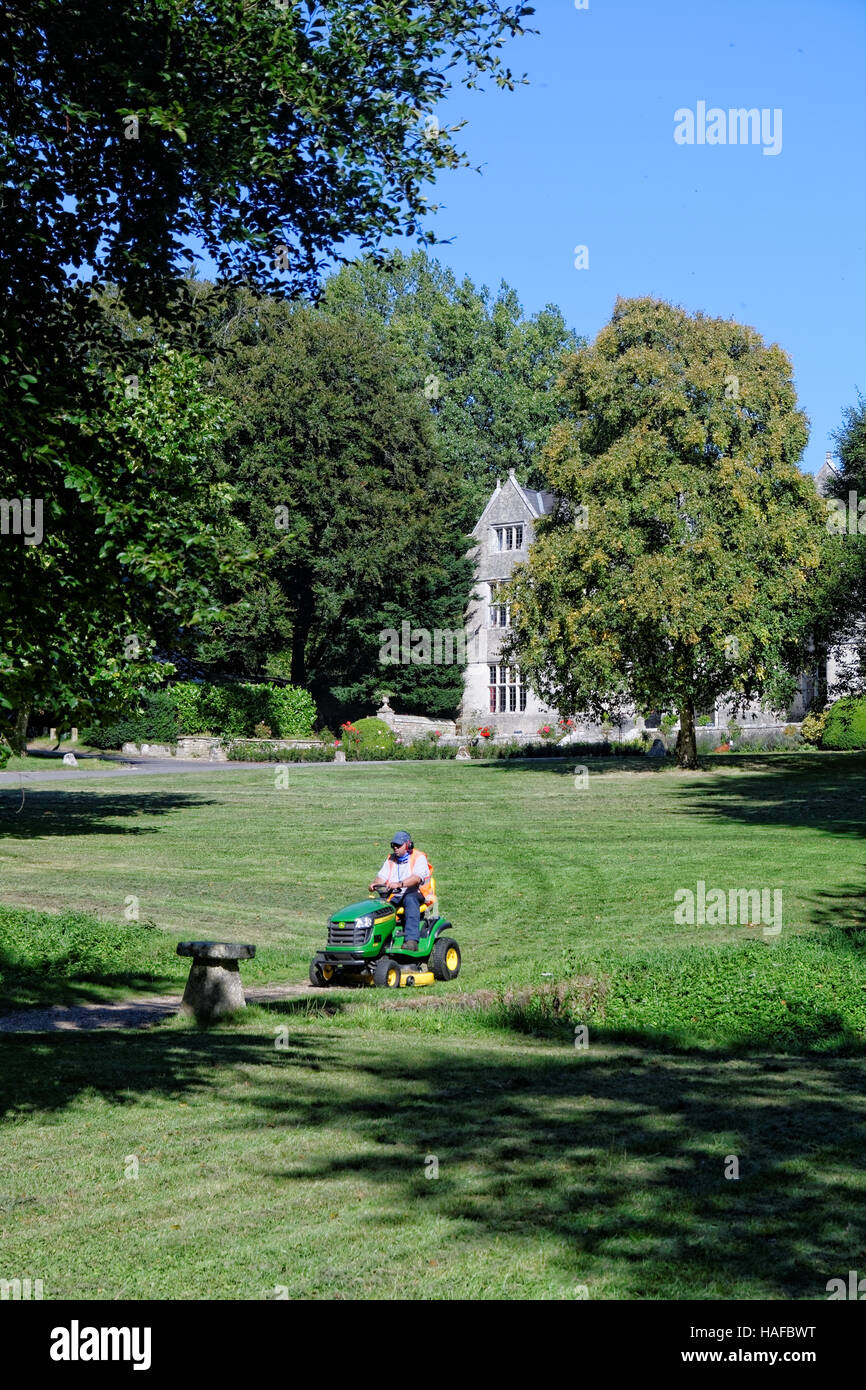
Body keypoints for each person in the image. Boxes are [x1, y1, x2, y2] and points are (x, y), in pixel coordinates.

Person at [369, 831, 432, 952]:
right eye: (393, 846)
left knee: (410, 899)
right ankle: (378, 940)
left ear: (408, 845)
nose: (395, 848)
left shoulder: (419, 858)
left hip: (417, 892)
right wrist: (374, 884)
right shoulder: (391, 859)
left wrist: (399, 884)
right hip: (396, 894)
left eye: (398, 846)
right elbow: (381, 877)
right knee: (378, 906)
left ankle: (412, 941)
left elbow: (416, 878)